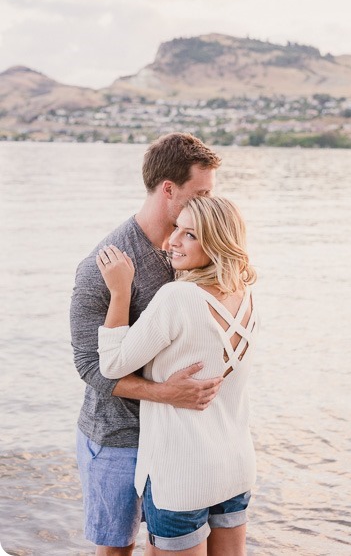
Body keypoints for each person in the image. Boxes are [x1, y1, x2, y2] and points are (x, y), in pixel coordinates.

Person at [70, 133, 222, 556]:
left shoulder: (190, 251)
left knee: (173, 542)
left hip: (177, 434)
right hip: (120, 437)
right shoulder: (102, 265)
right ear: (169, 189)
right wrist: (166, 393)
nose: (210, 203)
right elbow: (88, 366)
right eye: (202, 193)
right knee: (117, 549)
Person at [97, 196, 259, 556]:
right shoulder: (246, 296)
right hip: (235, 466)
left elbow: (111, 365)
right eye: (176, 230)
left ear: (217, 242)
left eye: (189, 235)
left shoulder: (177, 297)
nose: (172, 242)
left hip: (182, 476)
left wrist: (120, 291)